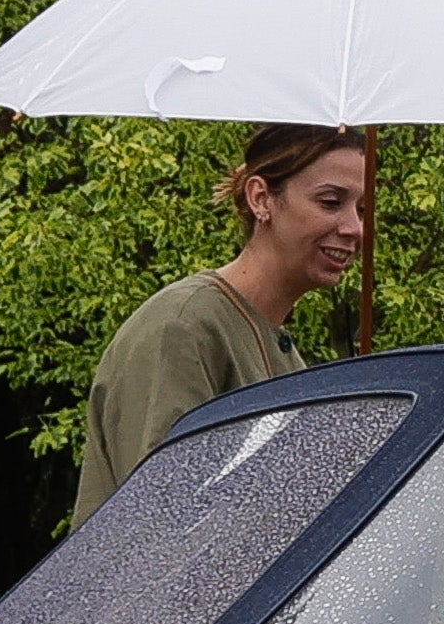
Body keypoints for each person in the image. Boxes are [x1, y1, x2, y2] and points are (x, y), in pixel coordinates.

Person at [67, 125, 370, 525]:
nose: (355, 228)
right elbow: (161, 519)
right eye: (331, 202)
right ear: (261, 198)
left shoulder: (286, 356)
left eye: (363, 210)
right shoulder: (182, 327)